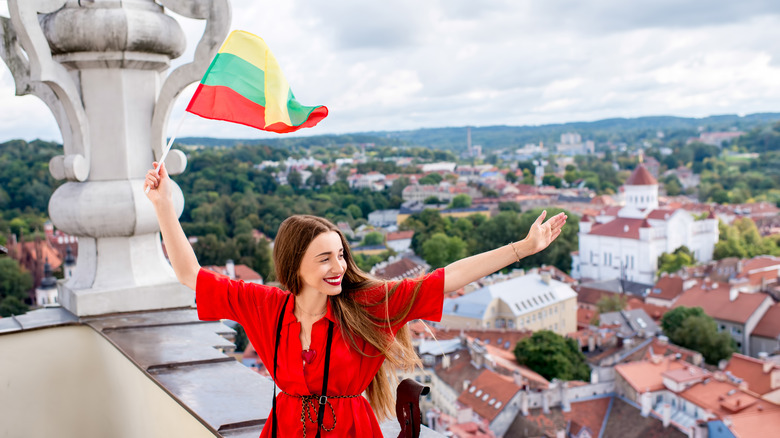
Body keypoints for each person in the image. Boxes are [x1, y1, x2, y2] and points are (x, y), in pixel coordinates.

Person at [144, 162, 567, 437]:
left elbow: (446, 278)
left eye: (342, 254)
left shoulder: (367, 304)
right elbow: (189, 275)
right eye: (325, 258)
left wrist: (521, 249)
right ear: (295, 266)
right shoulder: (265, 306)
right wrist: (164, 204)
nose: (339, 266)